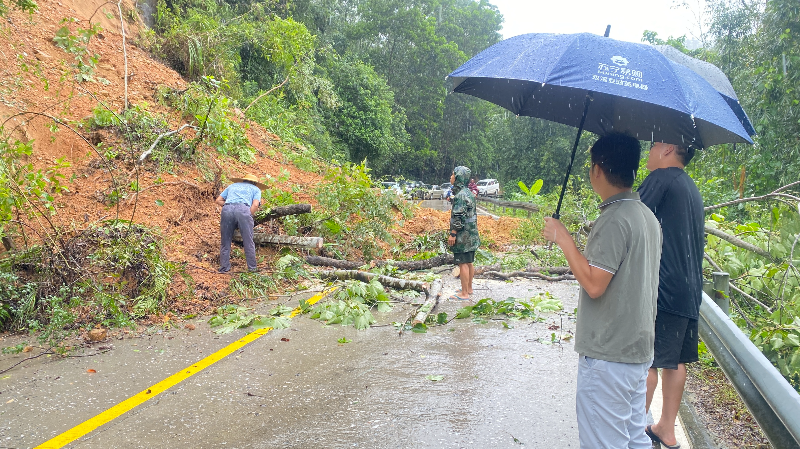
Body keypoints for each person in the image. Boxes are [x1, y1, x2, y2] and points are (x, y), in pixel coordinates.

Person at [543, 132, 662, 449]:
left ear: (597, 169)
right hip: (638, 353)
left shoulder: (614, 219)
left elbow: (595, 284)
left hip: (609, 357)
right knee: (635, 437)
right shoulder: (647, 217)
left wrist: (563, 239)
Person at [639, 141, 704, 449]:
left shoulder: (660, 179)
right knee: (675, 360)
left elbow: (631, 219)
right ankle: (666, 427)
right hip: (690, 289)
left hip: (664, 286)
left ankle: (633, 431)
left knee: (647, 360)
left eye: (653, 145)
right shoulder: (691, 187)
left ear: (668, 149)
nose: (649, 150)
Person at [215, 173, 266, 273]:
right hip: (243, 209)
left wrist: (229, 206)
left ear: (243, 180)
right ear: (255, 183)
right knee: (248, 241)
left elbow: (218, 200)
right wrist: (248, 214)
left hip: (227, 209)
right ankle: (252, 268)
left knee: (225, 241)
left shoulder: (232, 186)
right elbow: (255, 205)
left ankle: (224, 268)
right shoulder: (256, 189)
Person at [447, 166, 480, 301]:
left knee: (463, 263)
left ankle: (464, 293)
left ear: (458, 177)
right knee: (469, 262)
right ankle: (469, 288)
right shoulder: (469, 193)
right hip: (471, 234)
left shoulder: (460, 196)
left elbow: (459, 217)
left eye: (453, 174)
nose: (451, 177)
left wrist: (453, 234)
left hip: (463, 235)